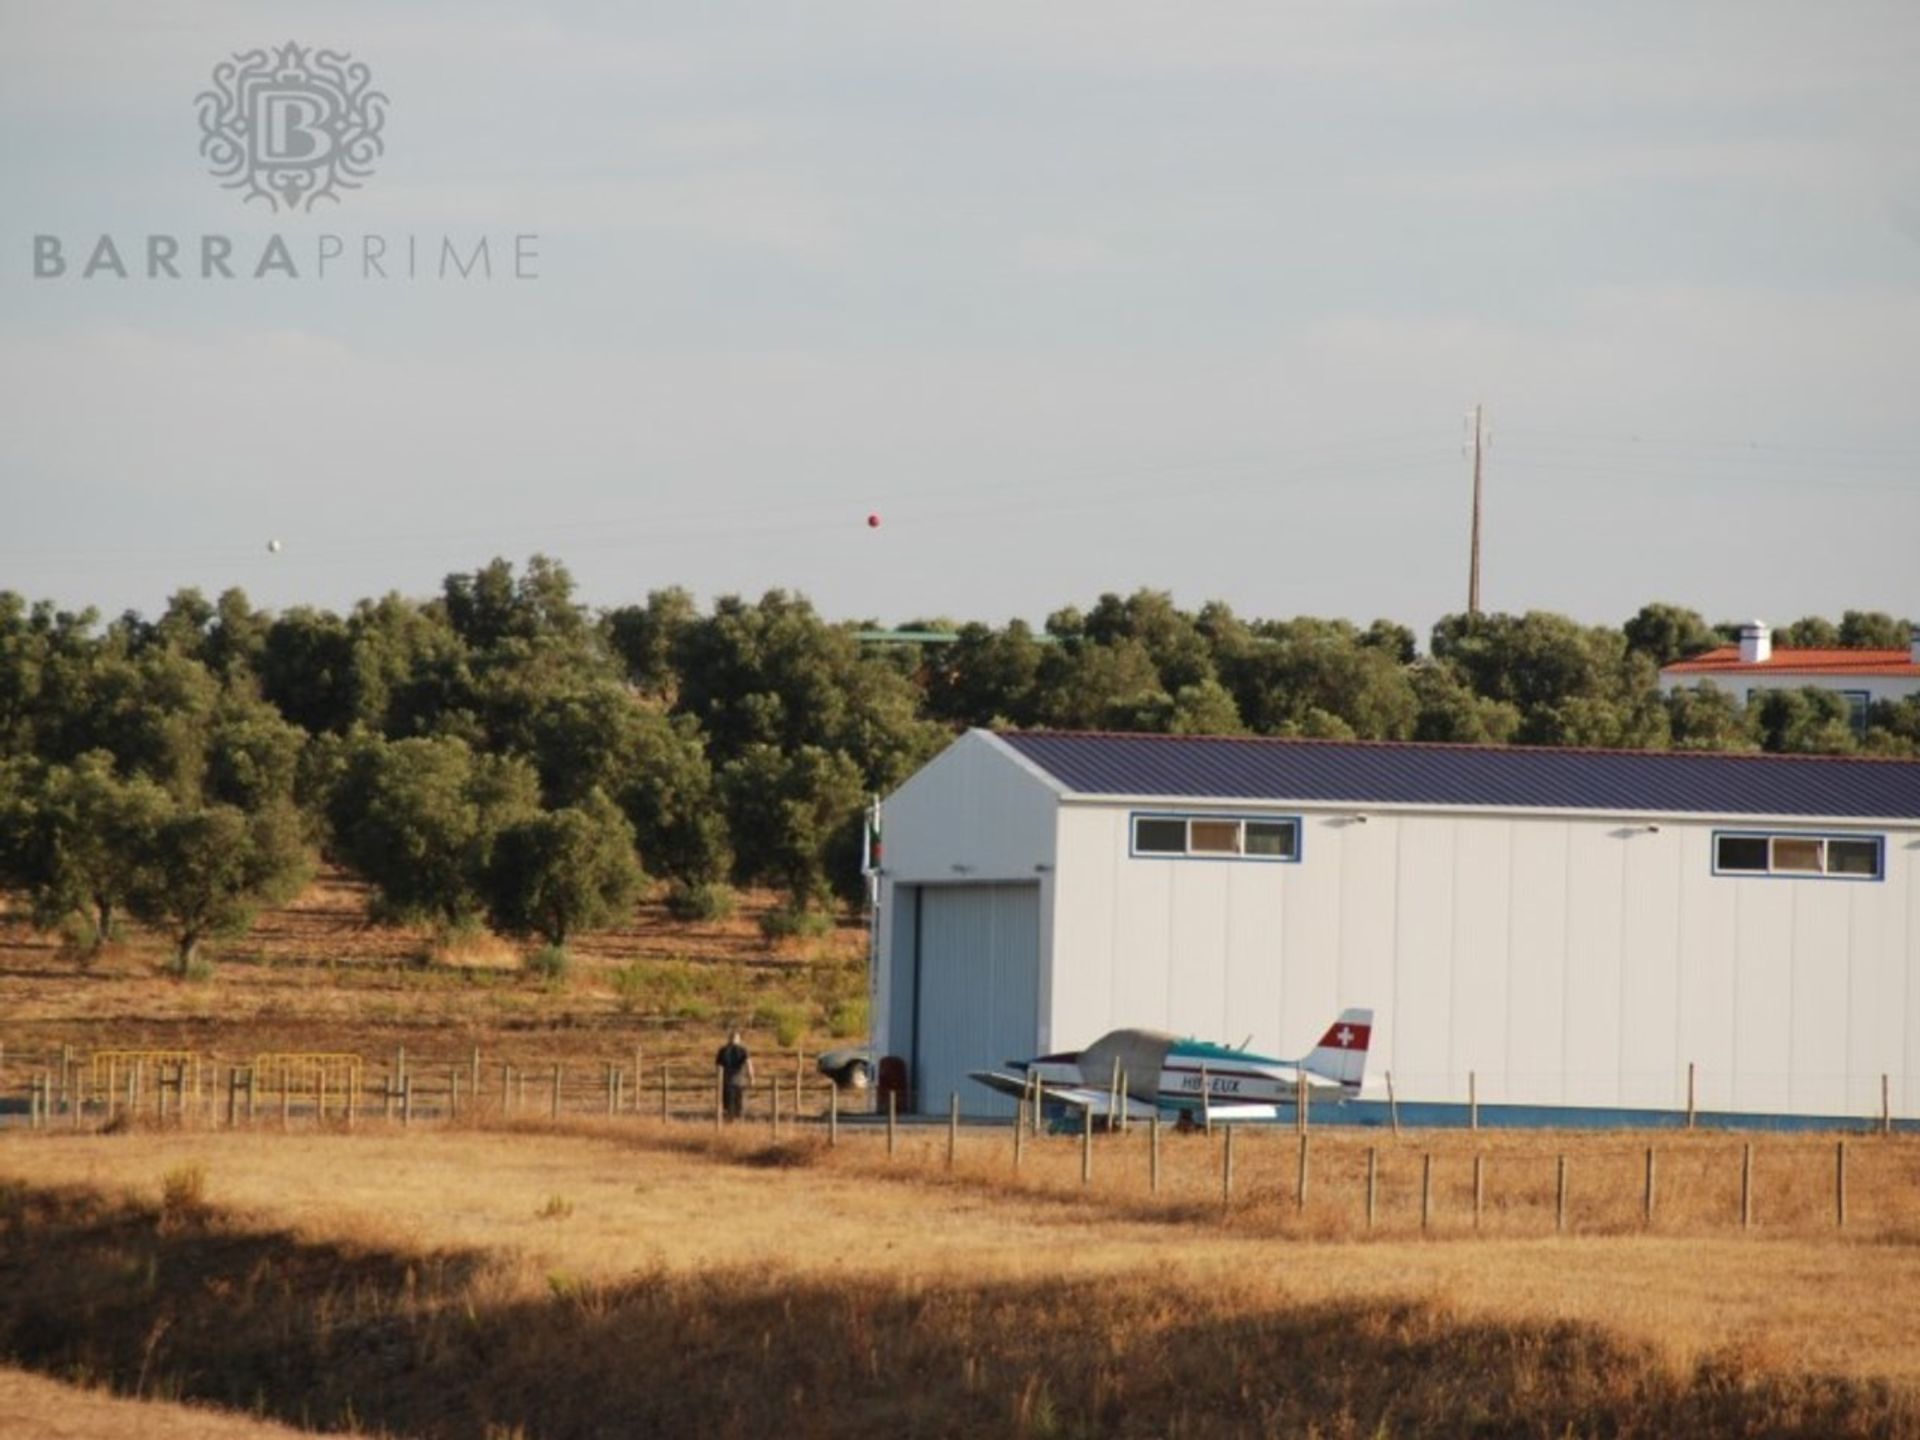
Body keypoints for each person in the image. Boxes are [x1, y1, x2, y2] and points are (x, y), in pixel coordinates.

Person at [715, 1028, 753, 1120]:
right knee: (739, 1104)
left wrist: (718, 1079)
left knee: (728, 1105)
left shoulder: (722, 1050)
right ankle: (738, 1121)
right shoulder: (743, 1050)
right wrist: (751, 1078)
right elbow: (749, 1065)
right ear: (739, 1039)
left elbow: (718, 1067)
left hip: (726, 1081)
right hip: (739, 1081)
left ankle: (730, 1121)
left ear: (729, 1038)